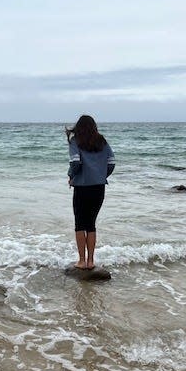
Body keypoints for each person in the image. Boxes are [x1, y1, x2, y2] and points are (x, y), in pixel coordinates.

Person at [66, 115, 115, 270]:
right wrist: (101, 175)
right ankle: (91, 261)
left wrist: (71, 176)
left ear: (78, 127)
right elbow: (112, 162)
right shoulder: (102, 141)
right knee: (91, 224)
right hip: (99, 187)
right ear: (94, 126)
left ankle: (81, 261)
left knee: (80, 224)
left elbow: (75, 162)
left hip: (82, 187)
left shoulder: (76, 141)